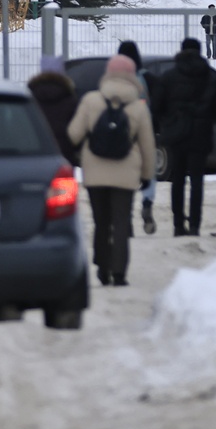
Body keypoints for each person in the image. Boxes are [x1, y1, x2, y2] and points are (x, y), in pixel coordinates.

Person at [66, 53, 157, 286]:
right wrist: (147, 176)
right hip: (126, 175)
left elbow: (73, 135)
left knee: (101, 222)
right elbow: (148, 146)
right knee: (120, 222)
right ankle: (119, 273)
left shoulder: (91, 100)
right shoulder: (138, 107)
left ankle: (102, 267)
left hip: (94, 173)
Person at [157, 38, 216, 237]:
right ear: (199, 52)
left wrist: (169, 123)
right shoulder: (208, 76)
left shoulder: (169, 76)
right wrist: (206, 119)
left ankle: (177, 224)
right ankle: (195, 225)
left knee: (178, 180)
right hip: (201, 134)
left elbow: (157, 107)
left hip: (177, 135)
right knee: (197, 181)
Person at [117, 40, 156, 232]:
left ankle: (127, 218)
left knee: (125, 174)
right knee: (148, 171)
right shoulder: (146, 78)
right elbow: (156, 104)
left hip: (122, 132)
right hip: (144, 130)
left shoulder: (114, 80)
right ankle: (147, 203)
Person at [28, 56, 82, 165]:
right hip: (65, 156)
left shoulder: (30, 99)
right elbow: (76, 131)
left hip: (36, 154)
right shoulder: (70, 99)